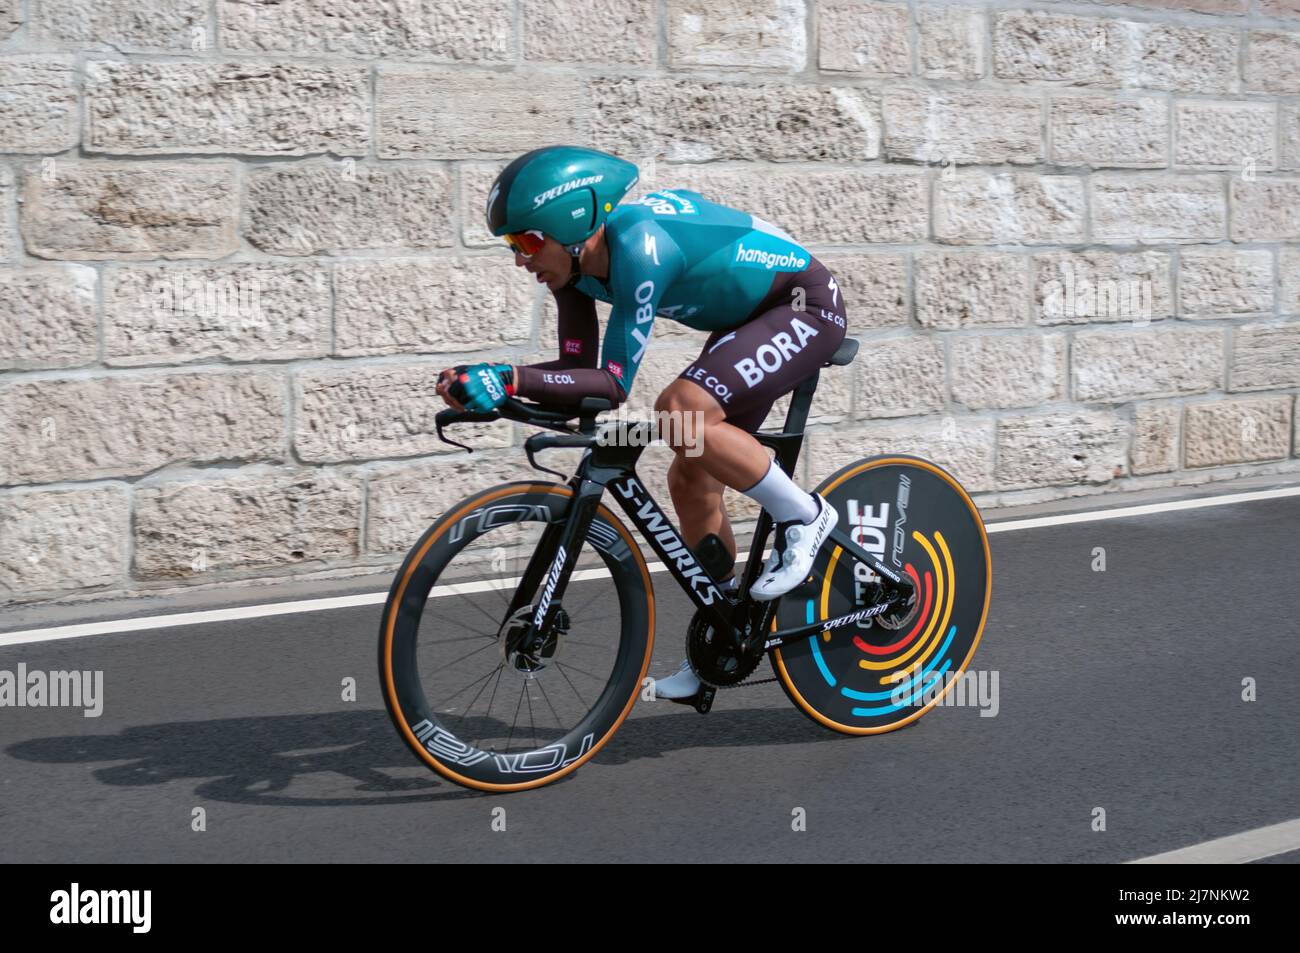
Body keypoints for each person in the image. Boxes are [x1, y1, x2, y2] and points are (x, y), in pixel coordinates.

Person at [435, 145, 847, 701]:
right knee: (689, 476)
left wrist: (507, 378)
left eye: (528, 241)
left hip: (803, 306)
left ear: (573, 223)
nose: (520, 258)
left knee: (678, 410)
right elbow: (578, 374)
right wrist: (499, 393)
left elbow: (611, 384)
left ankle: (806, 517)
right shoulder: (575, 274)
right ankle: (726, 629)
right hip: (748, 320)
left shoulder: (640, 245)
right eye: (512, 244)